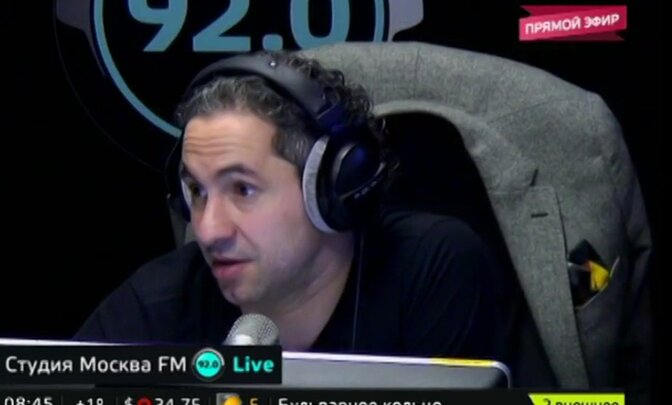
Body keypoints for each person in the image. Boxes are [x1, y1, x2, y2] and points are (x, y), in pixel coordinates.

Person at [74, 50, 508, 360]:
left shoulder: (430, 268)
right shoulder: (159, 301)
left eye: (242, 190)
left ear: (331, 188)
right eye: (198, 192)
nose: (208, 231)